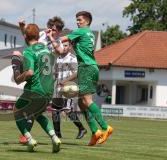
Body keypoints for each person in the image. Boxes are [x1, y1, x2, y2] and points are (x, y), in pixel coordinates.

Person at [50, 11, 114, 146]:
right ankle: (95, 132)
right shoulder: (89, 33)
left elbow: (62, 39)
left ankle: (105, 127)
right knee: (81, 103)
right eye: (77, 20)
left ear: (87, 21)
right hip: (90, 67)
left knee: (87, 100)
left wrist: (51, 36)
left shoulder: (82, 31)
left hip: (86, 67)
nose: (77, 22)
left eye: (80, 20)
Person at [11, 24, 61, 152]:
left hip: (35, 89)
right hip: (49, 89)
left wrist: (18, 77)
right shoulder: (45, 49)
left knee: (17, 110)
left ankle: (29, 139)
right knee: (38, 114)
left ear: (25, 36)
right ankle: (55, 138)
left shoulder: (29, 51)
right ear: (39, 36)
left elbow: (30, 72)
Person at [52, 41, 87, 139]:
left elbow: (76, 73)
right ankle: (58, 135)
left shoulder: (72, 58)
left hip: (68, 88)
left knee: (67, 110)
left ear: (70, 47)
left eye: (66, 45)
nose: (63, 47)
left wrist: (65, 81)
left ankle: (81, 128)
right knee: (55, 111)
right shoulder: (58, 58)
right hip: (58, 88)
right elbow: (55, 74)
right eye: (62, 45)